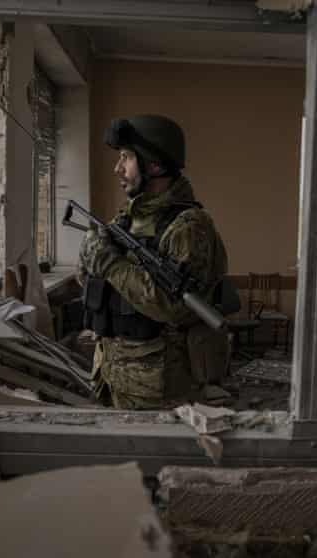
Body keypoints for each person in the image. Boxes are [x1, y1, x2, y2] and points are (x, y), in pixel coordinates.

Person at [79, 115, 229, 409]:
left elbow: (173, 307)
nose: (117, 168)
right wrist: (90, 261)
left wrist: (110, 264)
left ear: (155, 165)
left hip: (157, 387)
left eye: (126, 158)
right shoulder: (128, 219)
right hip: (109, 374)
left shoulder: (188, 227)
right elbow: (92, 282)